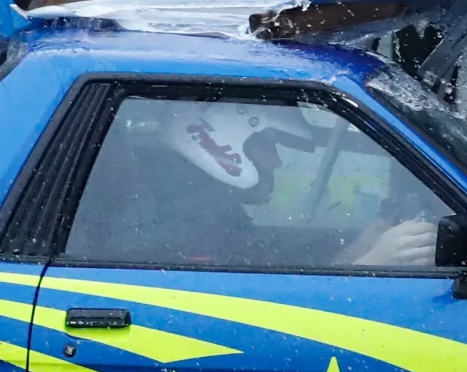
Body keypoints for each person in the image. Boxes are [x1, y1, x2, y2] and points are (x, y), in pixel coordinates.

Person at [63, 99, 439, 270]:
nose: (275, 161)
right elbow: (265, 314)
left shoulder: (203, 209)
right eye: (266, 145)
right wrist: (373, 264)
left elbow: (276, 263)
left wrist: (366, 240)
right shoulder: (176, 225)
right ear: (218, 139)